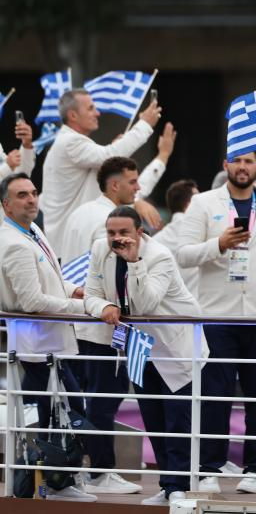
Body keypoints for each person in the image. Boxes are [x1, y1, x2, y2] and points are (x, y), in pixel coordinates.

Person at [175, 151, 256, 494]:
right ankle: (209, 467)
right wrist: (218, 244)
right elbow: (183, 254)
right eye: (235, 161)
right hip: (217, 315)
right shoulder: (202, 203)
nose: (242, 167)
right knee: (215, 396)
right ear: (225, 165)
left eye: (249, 162)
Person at [84, 206, 209, 507]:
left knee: (177, 420)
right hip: (138, 344)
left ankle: (179, 485)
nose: (117, 239)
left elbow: (147, 304)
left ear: (139, 232)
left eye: (124, 232)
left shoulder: (160, 256)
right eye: (112, 232)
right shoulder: (100, 249)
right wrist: (103, 308)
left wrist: (134, 262)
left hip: (175, 347)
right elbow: (90, 293)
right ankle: (168, 485)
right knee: (152, 418)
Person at [0, 173, 94, 502]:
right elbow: (33, 302)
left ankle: (59, 482)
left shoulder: (33, 230)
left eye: (34, 193)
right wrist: (86, 306)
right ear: (5, 205)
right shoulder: (11, 242)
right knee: (56, 412)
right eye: (22, 195)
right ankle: (55, 485)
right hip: (36, 348)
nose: (31, 199)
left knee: (65, 410)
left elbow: (52, 279)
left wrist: (74, 289)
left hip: (53, 342)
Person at [60, 157, 144, 496]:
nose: (138, 187)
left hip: (80, 322)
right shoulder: (111, 223)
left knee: (90, 399)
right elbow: (112, 277)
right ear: (115, 186)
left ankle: (90, 469)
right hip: (103, 322)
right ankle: (100, 470)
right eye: (132, 181)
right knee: (103, 399)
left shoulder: (79, 213)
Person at [40, 88, 165, 256]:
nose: (97, 113)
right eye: (91, 108)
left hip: (74, 246)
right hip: (74, 250)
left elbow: (111, 162)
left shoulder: (72, 144)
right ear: (73, 115)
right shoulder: (70, 142)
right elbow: (109, 156)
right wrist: (144, 125)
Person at [150, 178, 201, 294]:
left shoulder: (155, 241)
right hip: (201, 308)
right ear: (189, 206)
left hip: (165, 309)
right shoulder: (206, 235)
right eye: (199, 201)